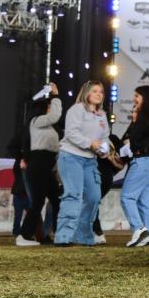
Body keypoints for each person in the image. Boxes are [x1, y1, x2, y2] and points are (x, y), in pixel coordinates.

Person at [54, 81, 109, 247]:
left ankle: (83, 235)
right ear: (86, 93)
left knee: (94, 197)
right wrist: (90, 143)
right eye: (95, 91)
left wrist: (104, 150)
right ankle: (63, 236)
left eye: (101, 91)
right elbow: (71, 133)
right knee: (73, 195)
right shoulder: (76, 109)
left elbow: (105, 137)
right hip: (71, 156)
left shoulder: (102, 115)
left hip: (90, 160)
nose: (99, 94)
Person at [17, 83, 62, 246]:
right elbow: (55, 115)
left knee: (57, 199)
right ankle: (24, 235)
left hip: (45, 166)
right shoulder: (37, 121)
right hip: (39, 164)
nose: (51, 108)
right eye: (49, 106)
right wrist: (56, 96)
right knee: (38, 202)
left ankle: (60, 233)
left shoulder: (46, 126)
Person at [120, 86, 149, 247]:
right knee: (145, 202)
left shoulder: (142, 117)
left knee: (127, 197)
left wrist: (133, 123)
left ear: (145, 97)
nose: (134, 98)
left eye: (137, 95)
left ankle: (139, 229)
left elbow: (133, 141)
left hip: (142, 160)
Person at [92, 134, 125, 245]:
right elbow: (122, 159)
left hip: (96, 174)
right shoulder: (113, 138)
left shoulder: (92, 137)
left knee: (91, 203)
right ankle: (97, 232)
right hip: (107, 177)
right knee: (92, 203)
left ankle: (97, 232)